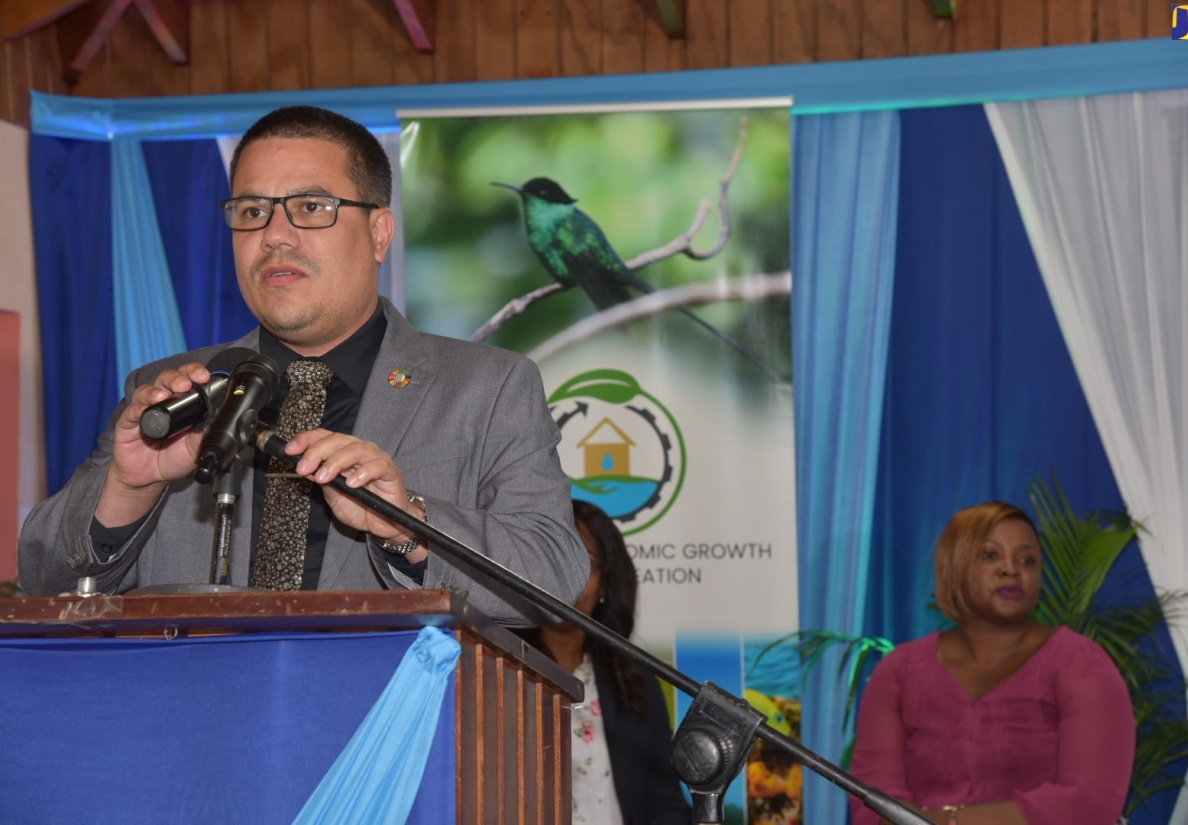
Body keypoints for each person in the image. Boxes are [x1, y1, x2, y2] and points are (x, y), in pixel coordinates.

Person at [17, 105, 589, 626]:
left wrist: (405, 523)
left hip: (391, 730)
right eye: (252, 210)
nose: (274, 236)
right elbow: (46, 582)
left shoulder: (488, 388)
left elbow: (553, 580)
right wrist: (126, 489)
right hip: (190, 721)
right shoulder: (170, 390)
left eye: (311, 207)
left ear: (379, 233)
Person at [849, 501, 1135, 825]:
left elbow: (1089, 802)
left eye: (1027, 560)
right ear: (955, 566)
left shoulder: (1081, 666)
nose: (1011, 569)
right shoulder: (899, 673)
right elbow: (872, 806)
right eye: (991, 555)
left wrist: (949, 822)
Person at [517, 500, 692, 825]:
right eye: (555, 561)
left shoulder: (634, 677)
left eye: (586, 563)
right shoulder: (503, 668)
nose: (569, 579)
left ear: (606, 583)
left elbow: (665, 798)